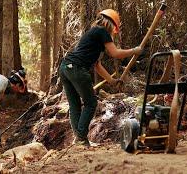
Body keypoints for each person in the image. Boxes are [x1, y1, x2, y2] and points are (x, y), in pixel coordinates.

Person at [59, 9, 142, 146]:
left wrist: (111, 80)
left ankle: (79, 139)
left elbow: (97, 65)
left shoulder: (94, 34)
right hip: (77, 69)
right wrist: (134, 51)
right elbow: (115, 53)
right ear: (111, 24)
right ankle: (80, 137)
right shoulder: (102, 31)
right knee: (91, 103)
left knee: (75, 105)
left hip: (65, 67)